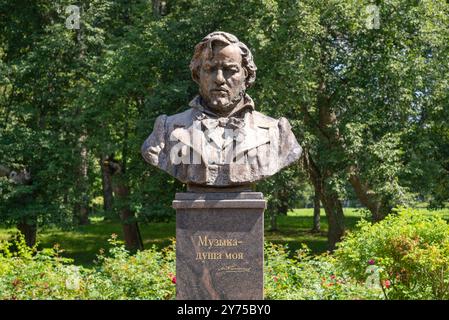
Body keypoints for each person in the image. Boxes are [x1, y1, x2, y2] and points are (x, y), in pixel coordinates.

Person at [141, 31, 301, 189]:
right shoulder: (167, 130)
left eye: (230, 70)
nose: (219, 79)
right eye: (210, 69)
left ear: (247, 75)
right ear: (197, 75)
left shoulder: (276, 133)